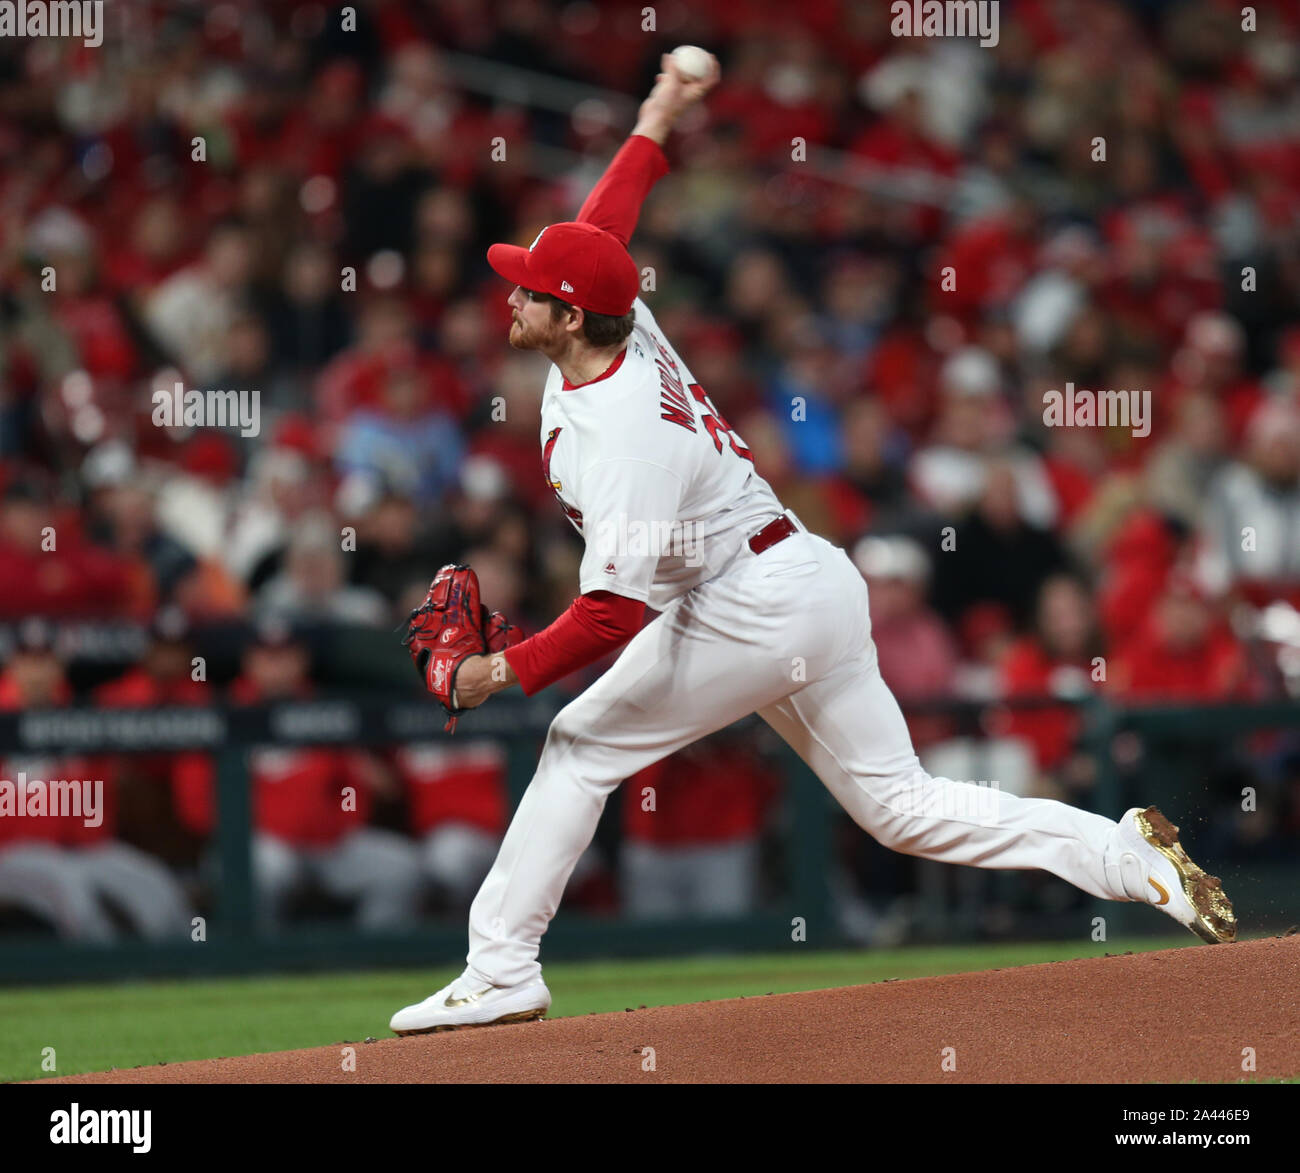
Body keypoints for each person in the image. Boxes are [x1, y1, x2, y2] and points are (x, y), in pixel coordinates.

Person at [389, 53, 1236, 1036]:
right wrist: (658, 113)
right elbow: (606, 224)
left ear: (571, 316)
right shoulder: (618, 320)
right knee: (900, 809)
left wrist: (496, 673)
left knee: (578, 747)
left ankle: (499, 971)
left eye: (530, 291)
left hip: (747, 602)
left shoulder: (624, 440)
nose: (513, 297)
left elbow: (613, 614)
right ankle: (1124, 857)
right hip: (799, 577)